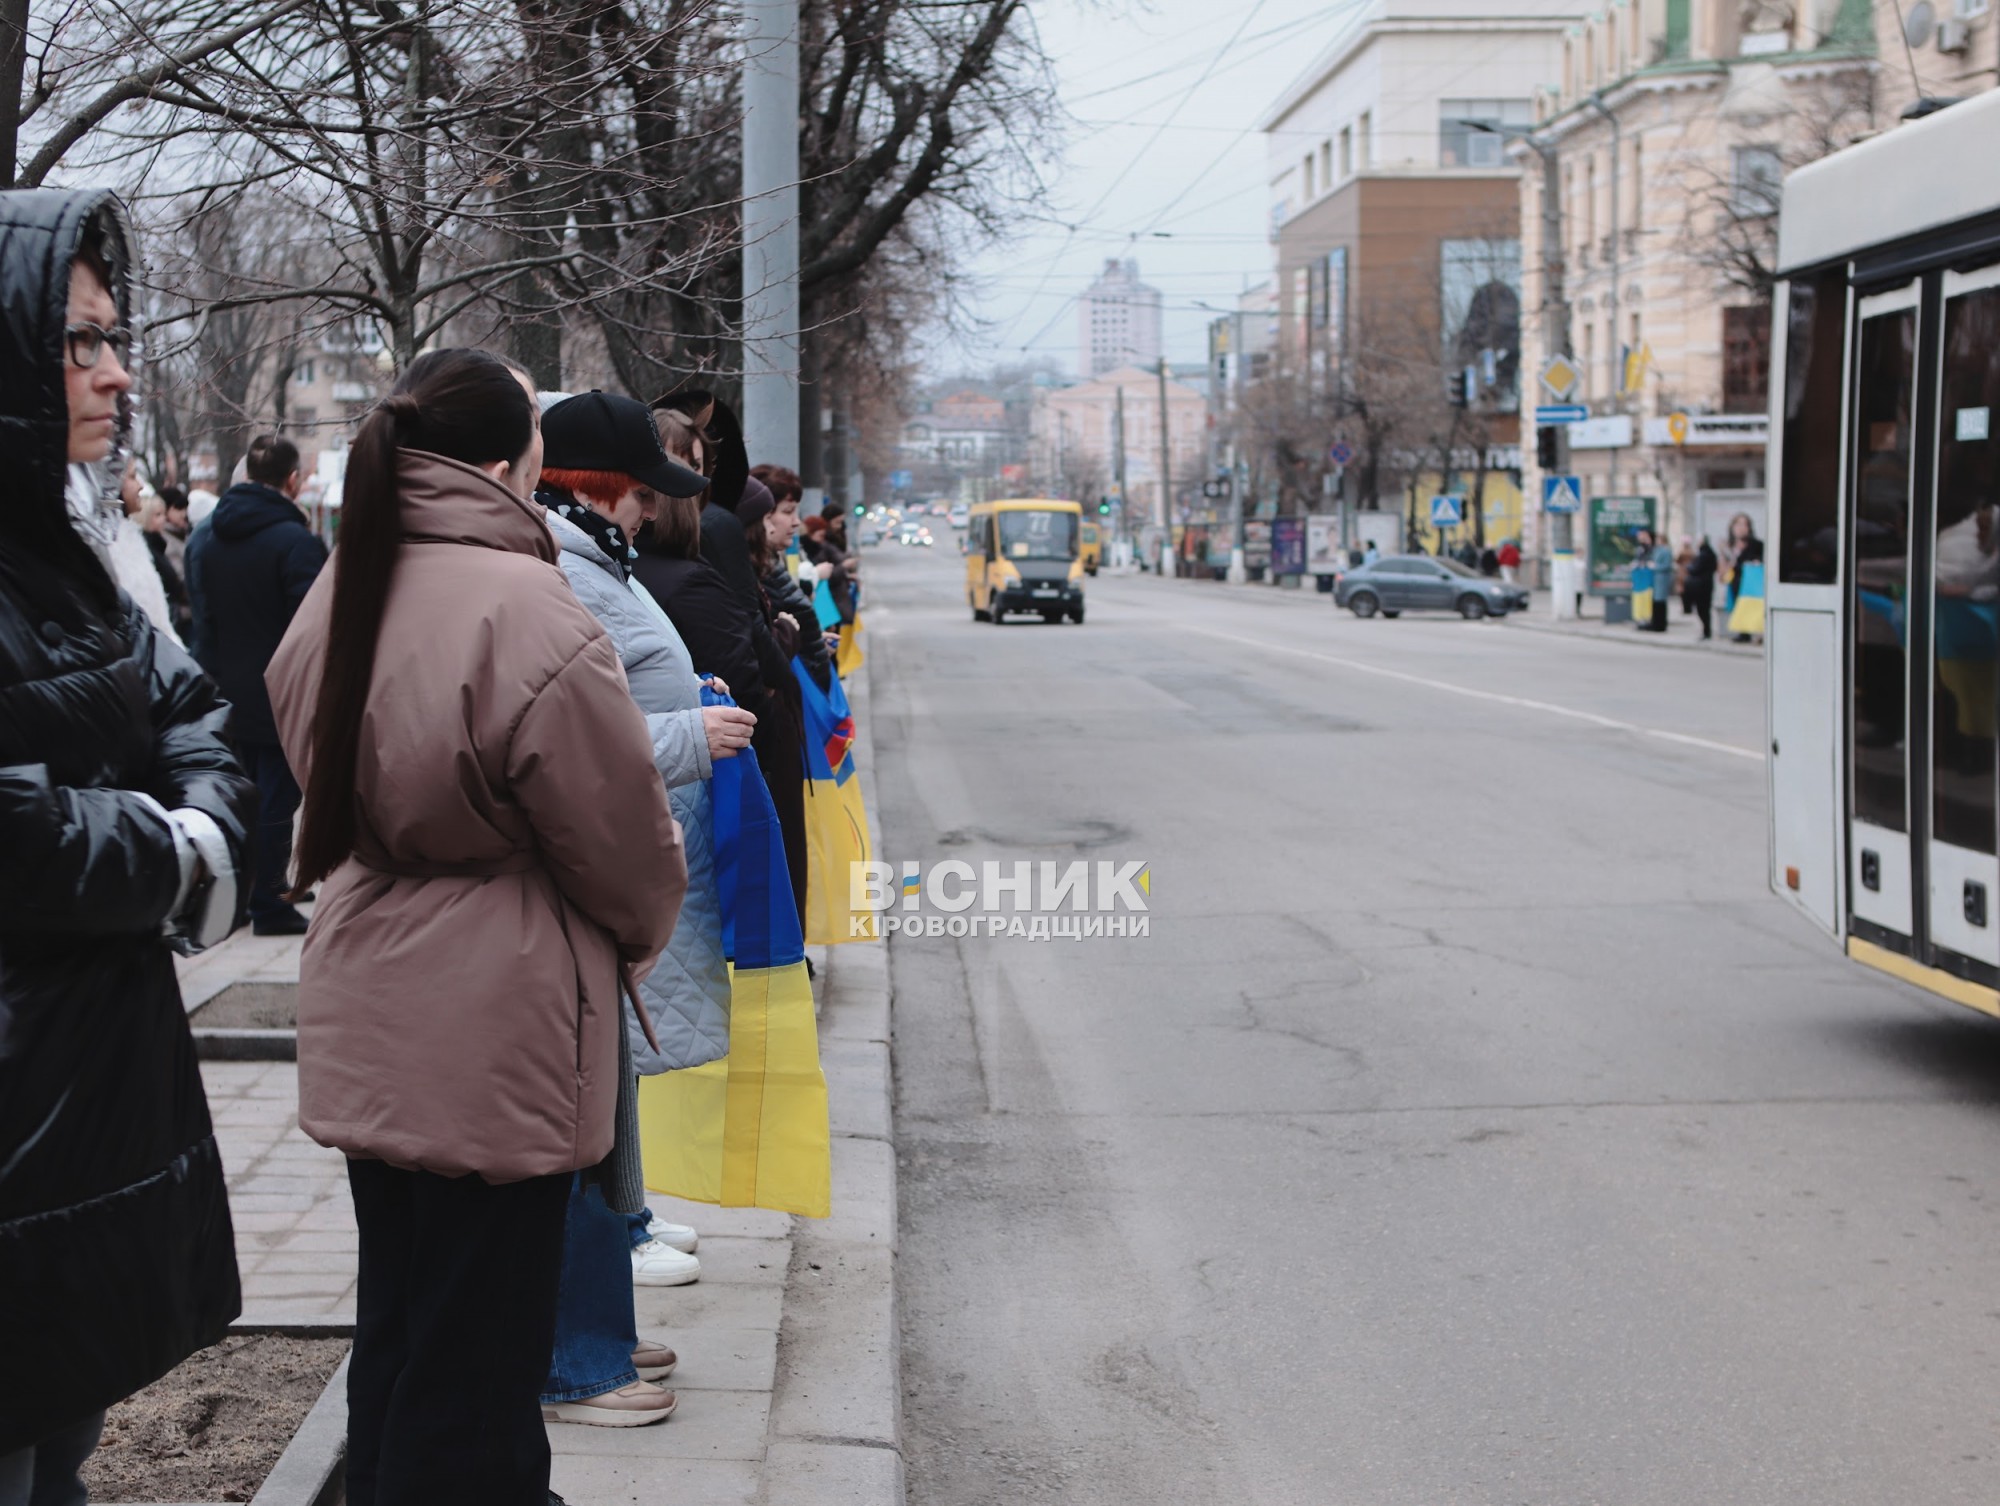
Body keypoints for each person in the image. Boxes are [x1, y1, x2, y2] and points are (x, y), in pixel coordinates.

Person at [264, 350, 687, 1506]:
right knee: (480, 1356)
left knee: (401, 1325)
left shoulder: (345, 580)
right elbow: (619, 834)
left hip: (366, 981)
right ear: (510, 462)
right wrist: (635, 932)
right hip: (498, 1009)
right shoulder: (526, 605)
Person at [0, 188, 254, 1501]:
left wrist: (194, 820)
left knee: (60, 1448)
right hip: (28, 1129)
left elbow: (189, 711)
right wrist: (175, 842)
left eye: (113, 338)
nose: (114, 373)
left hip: (76, 1126)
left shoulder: (63, 547)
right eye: (77, 341)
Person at [649, 406, 812, 930]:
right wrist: (785, 639)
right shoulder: (696, 567)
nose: (696, 486)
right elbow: (747, 663)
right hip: (694, 796)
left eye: (702, 469)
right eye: (687, 466)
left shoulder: (666, 567)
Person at [195, 434, 329, 935]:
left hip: (227, 687)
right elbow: (314, 628)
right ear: (292, 480)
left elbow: (205, 617)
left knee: (246, 796)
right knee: (277, 800)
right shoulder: (295, 542)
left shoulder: (210, 538)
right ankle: (268, 903)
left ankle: (255, 888)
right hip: (282, 693)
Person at [748, 467, 833, 691]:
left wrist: (813, 642)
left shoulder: (770, 563)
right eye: (788, 511)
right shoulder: (755, 572)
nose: (796, 522)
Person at [1722, 512, 1764, 643]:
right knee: (1737, 606)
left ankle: (1756, 632)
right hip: (1734, 581)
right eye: (1738, 524)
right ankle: (1743, 633)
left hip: (1750, 584)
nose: (1741, 528)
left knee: (1751, 607)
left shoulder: (1756, 544)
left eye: (1744, 525)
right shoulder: (1729, 546)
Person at [1685, 536, 1718, 640]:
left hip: (1701, 586)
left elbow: (1695, 569)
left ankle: (1706, 631)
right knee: (1705, 609)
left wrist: (1689, 567)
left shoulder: (1704, 555)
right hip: (1706, 585)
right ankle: (1706, 631)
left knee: (1702, 609)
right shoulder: (1710, 554)